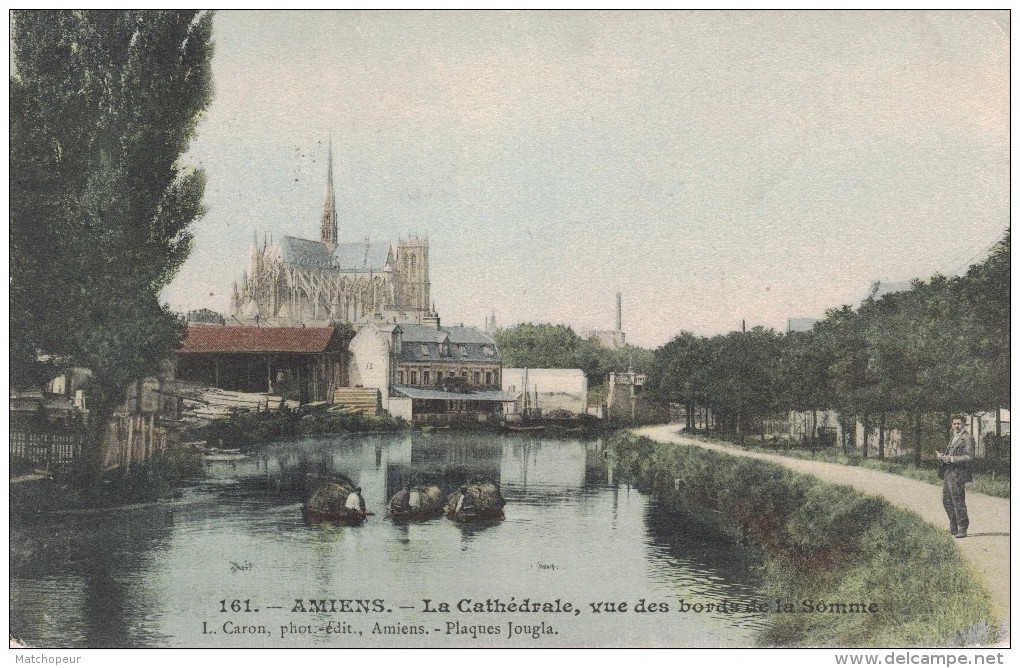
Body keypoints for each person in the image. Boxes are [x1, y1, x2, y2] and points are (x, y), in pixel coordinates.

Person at [938, 415, 975, 538]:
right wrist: (943, 457)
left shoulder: (968, 438)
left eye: (959, 424)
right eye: (954, 424)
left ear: (964, 424)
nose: (956, 426)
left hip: (959, 474)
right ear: (951, 425)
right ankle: (953, 527)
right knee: (947, 501)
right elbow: (951, 453)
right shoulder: (953, 436)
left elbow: (969, 457)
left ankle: (962, 529)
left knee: (958, 501)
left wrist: (952, 459)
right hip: (948, 472)